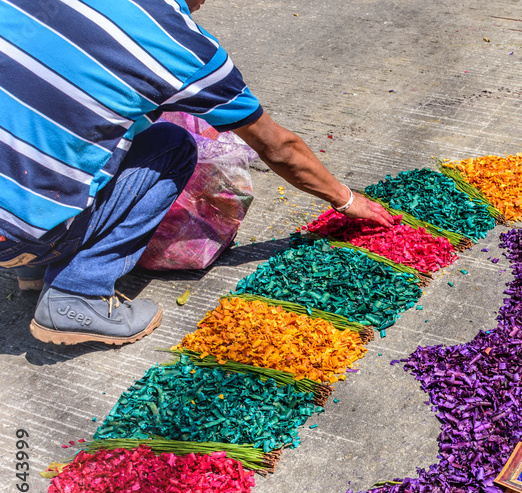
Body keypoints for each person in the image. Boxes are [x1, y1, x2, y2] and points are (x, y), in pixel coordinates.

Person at [0, 0, 393, 346]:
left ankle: (32, 262)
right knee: (172, 145)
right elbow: (279, 148)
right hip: (16, 237)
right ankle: (76, 290)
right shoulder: (177, 44)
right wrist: (345, 198)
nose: (204, 5)